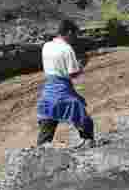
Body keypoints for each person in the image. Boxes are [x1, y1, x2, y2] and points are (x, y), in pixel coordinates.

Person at [37, 19, 96, 148]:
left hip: (48, 90)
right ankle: (88, 142)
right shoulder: (67, 49)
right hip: (62, 90)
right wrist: (82, 65)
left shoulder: (46, 46)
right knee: (82, 117)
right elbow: (73, 74)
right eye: (75, 35)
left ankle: (40, 148)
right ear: (69, 32)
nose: (75, 38)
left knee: (48, 117)